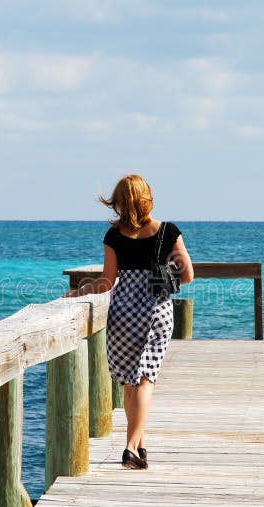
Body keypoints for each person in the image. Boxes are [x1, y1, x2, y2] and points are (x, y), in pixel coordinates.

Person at [64, 174, 194, 469]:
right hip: (154, 312)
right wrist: (169, 266)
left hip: (122, 313)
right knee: (146, 378)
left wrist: (78, 292)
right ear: (147, 197)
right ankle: (131, 447)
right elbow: (188, 276)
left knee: (128, 382)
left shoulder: (113, 235)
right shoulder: (168, 231)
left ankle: (140, 443)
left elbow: (107, 281)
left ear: (119, 202)